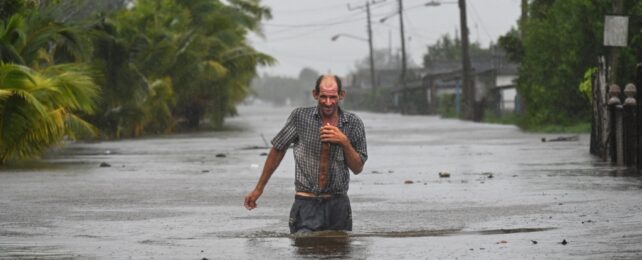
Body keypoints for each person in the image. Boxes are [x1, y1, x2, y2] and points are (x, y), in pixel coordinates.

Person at [244, 74, 368, 233]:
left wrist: (344, 142)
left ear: (341, 95)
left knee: (339, 253)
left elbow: (358, 168)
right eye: (323, 97)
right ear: (315, 94)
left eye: (333, 97)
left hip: (338, 204)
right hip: (306, 203)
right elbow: (278, 149)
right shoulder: (300, 118)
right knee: (305, 250)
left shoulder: (353, 123)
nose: (328, 102)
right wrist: (258, 189)